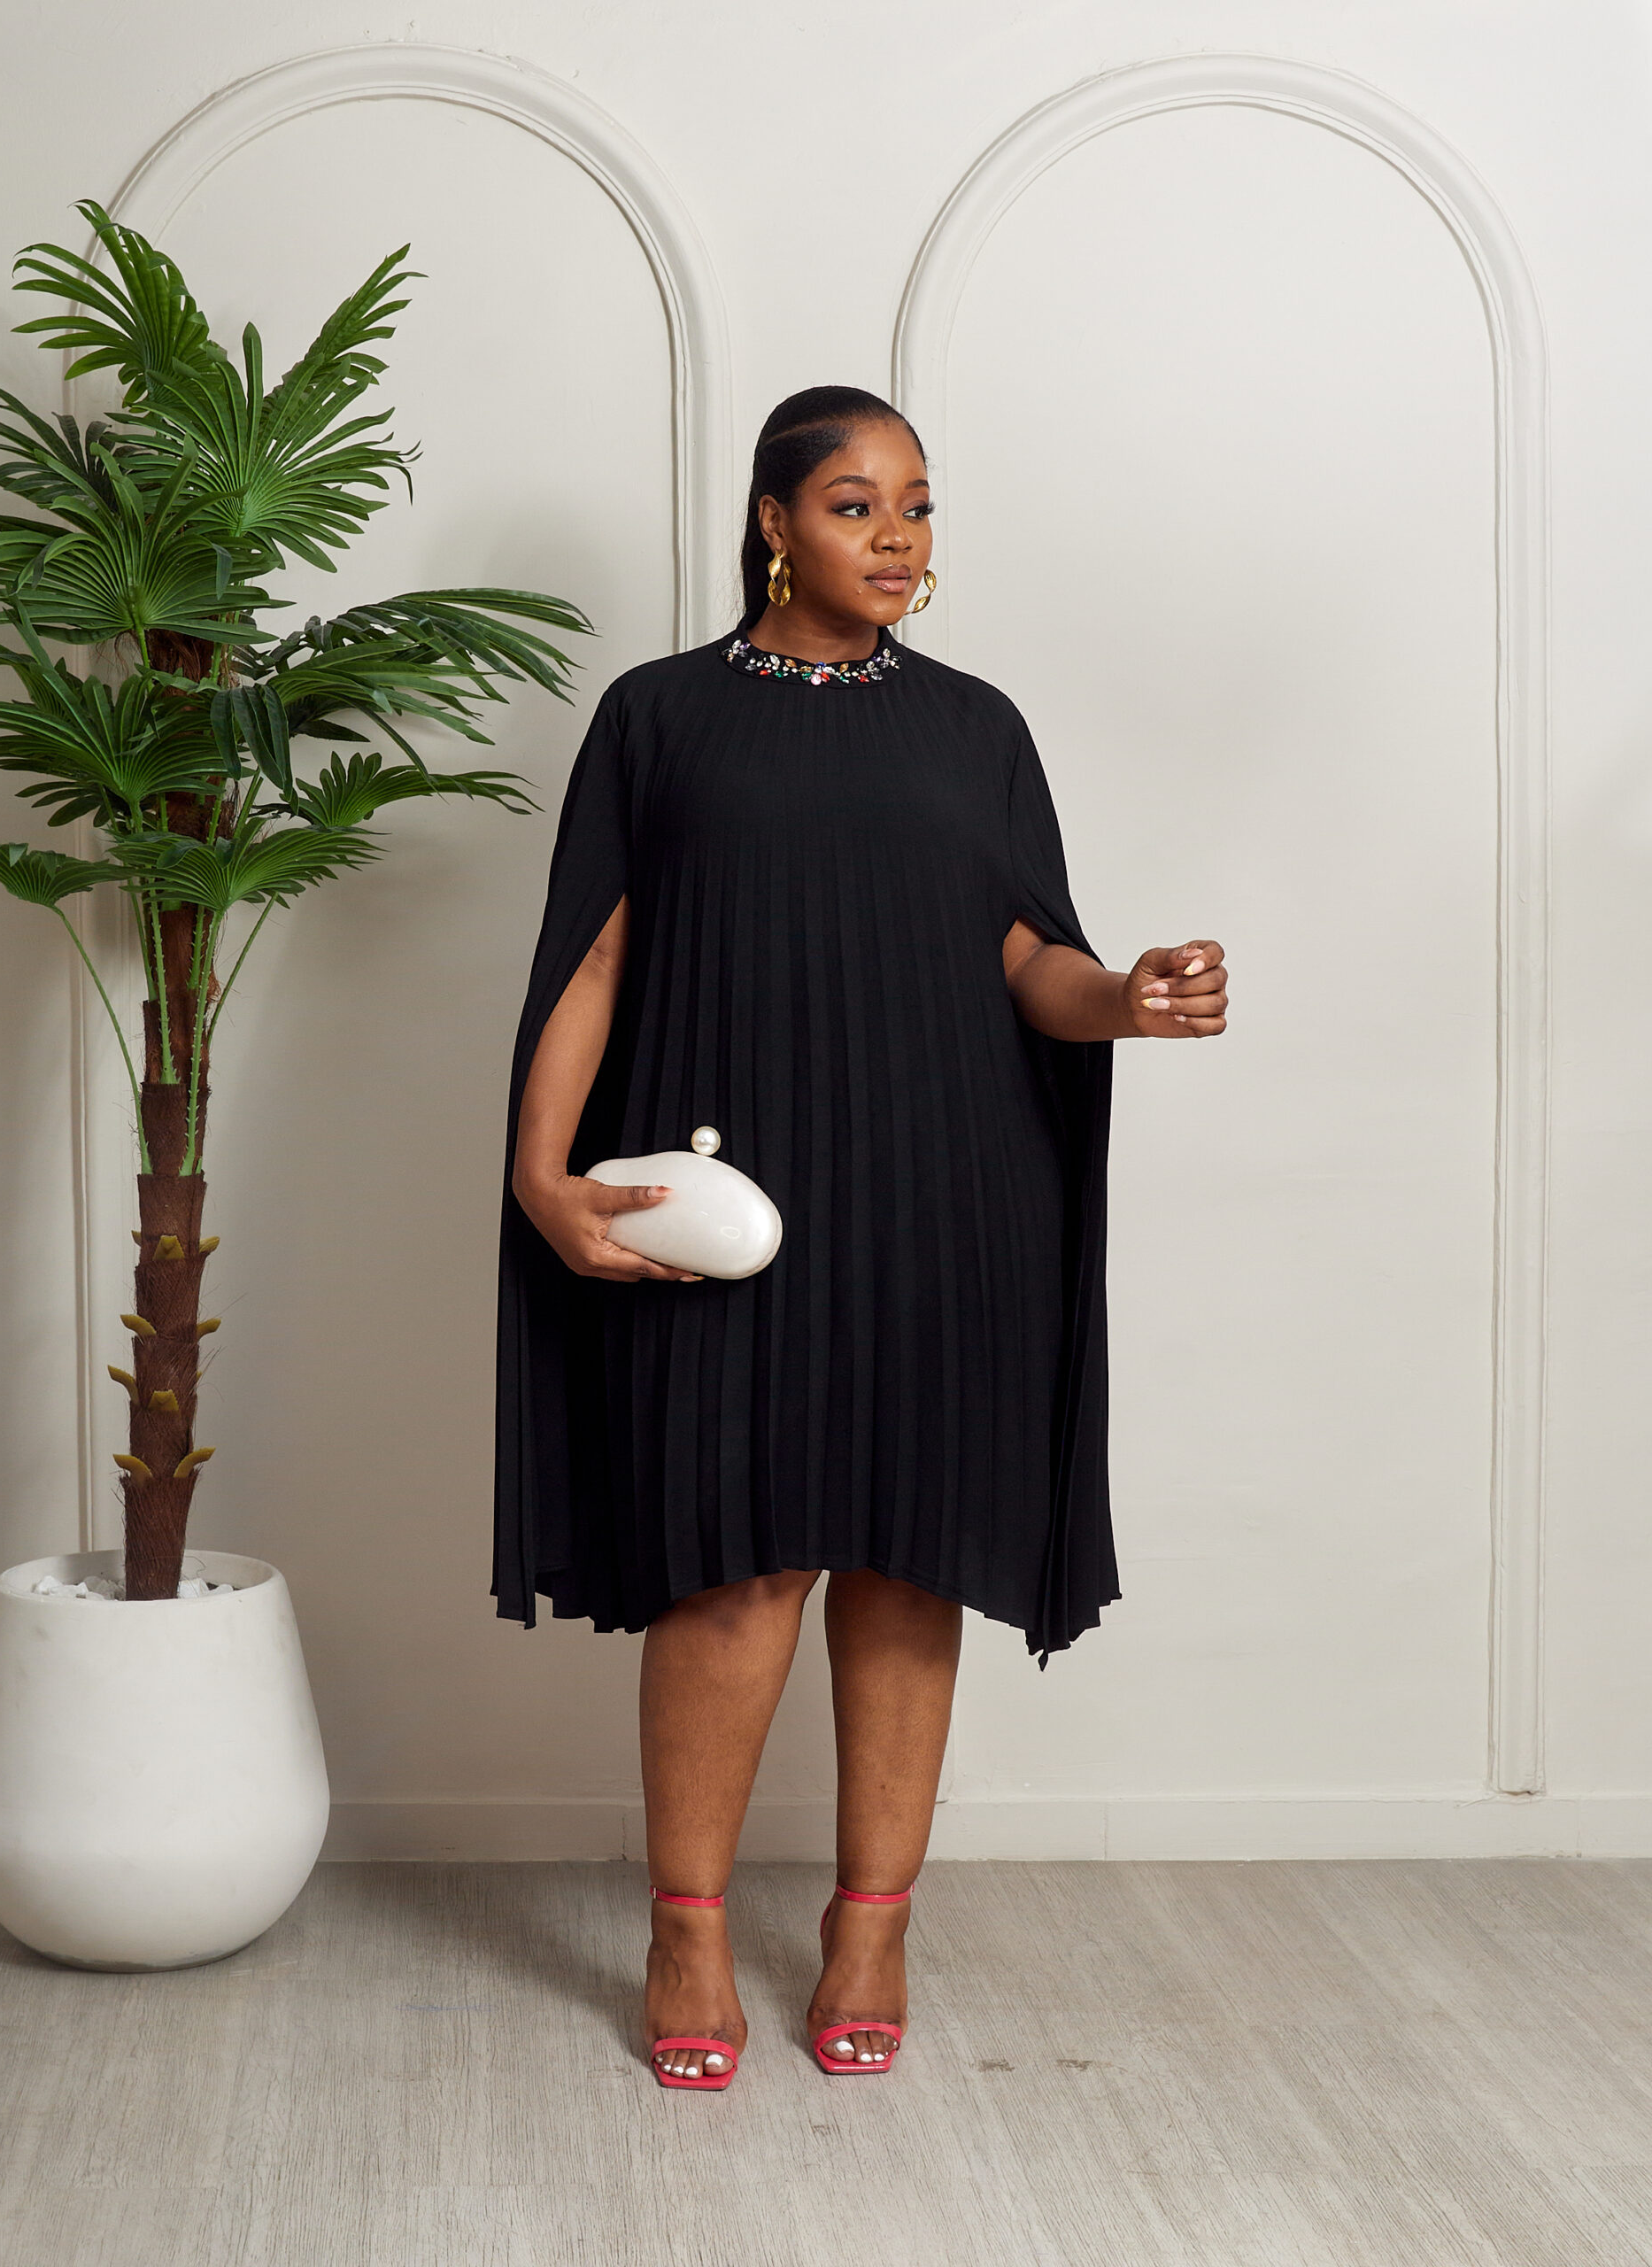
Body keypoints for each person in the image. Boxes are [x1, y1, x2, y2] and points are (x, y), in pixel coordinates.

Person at [494, 385, 1229, 2089]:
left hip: (948, 1197)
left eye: (916, 506)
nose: (895, 537)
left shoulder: (976, 727)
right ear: (774, 521)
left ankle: (874, 1924)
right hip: (733, 1200)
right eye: (852, 503)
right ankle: (687, 1930)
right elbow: (592, 955)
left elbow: (1030, 959)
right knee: (732, 1567)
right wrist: (542, 1178)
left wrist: (1128, 998)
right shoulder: (660, 716)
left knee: (908, 1562)